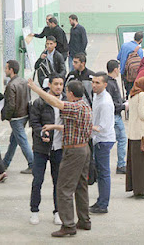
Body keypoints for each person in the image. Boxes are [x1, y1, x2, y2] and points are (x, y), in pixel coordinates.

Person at [28, 79, 93, 237]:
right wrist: (54, 126)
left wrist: (36, 89)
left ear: (70, 93)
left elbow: (56, 103)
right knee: (81, 186)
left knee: (63, 188)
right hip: (84, 148)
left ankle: (68, 225)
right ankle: (84, 220)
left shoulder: (74, 106)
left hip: (74, 152)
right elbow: (69, 126)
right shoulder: (85, 106)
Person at [29, 73, 66, 226]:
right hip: (41, 149)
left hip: (59, 148)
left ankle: (57, 212)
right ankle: (34, 211)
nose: (58, 87)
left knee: (58, 181)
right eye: (56, 84)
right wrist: (41, 133)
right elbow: (34, 122)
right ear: (49, 85)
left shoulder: (66, 102)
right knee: (38, 180)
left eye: (61, 84)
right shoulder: (39, 103)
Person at [89, 72, 116, 214]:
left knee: (103, 173)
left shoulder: (105, 102)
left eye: (97, 83)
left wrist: (86, 127)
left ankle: (103, 204)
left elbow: (102, 126)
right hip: (98, 140)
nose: (94, 85)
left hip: (103, 140)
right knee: (100, 173)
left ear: (105, 85)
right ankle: (100, 201)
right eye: (93, 82)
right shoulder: (96, 96)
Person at [2, 60, 34, 174]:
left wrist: (7, 116)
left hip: (16, 117)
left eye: (6, 68)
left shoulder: (11, 85)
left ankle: (32, 164)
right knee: (14, 140)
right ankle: (5, 162)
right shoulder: (24, 81)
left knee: (22, 141)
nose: (5, 70)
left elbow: (10, 105)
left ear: (11, 70)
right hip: (24, 114)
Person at [106, 60, 128, 174]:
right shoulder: (111, 84)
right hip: (115, 116)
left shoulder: (110, 82)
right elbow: (112, 103)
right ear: (115, 69)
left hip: (115, 114)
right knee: (121, 139)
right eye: (119, 68)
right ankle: (121, 164)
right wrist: (123, 106)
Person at [117, 31, 144, 97]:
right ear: (141, 40)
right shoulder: (139, 50)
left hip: (123, 72)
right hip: (133, 75)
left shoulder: (124, 45)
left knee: (127, 90)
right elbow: (140, 63)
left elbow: (118, 57)